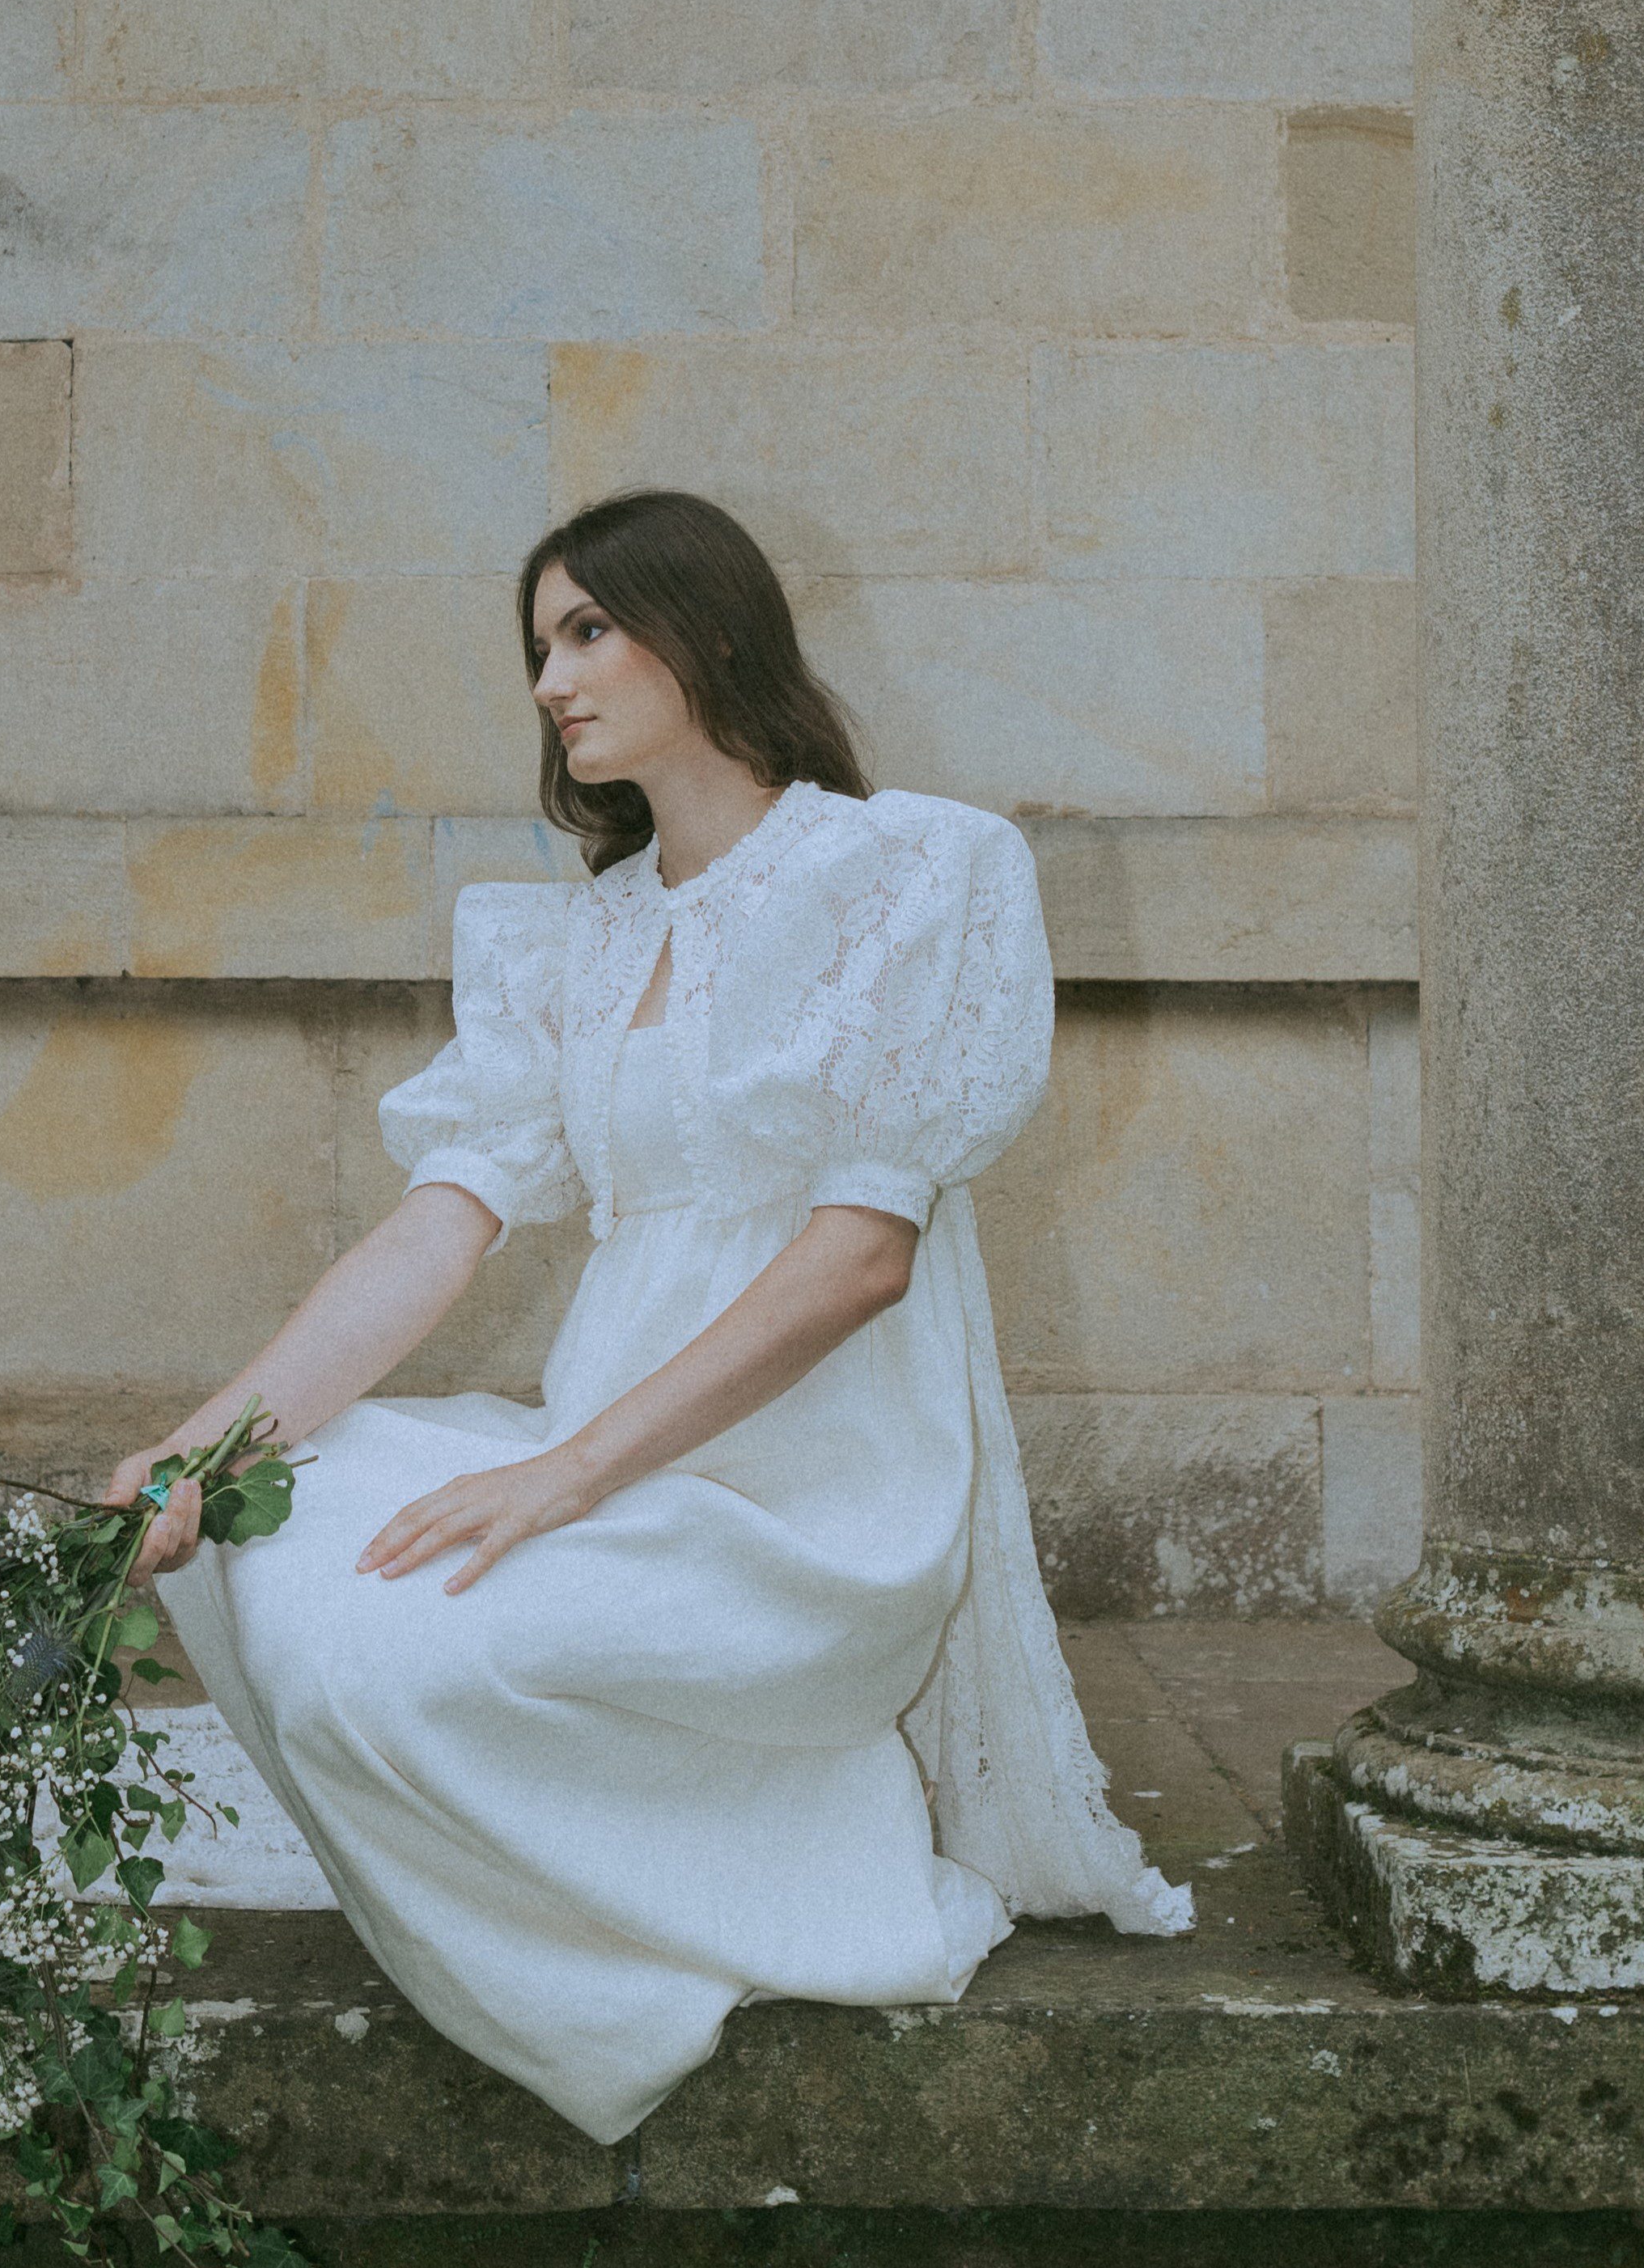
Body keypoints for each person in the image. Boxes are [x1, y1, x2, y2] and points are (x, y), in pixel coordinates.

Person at [112, 490, 1191, 2147]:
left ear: (716, 629)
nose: (551, 678)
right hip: (600, 1452)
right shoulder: (575, 938)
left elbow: (859, 1262)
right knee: (281, 1535)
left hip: (803, 1503)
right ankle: (606, 1890)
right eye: (540, 644)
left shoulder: (916, 870)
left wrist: (567, 1480)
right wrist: (208, 1438)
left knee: (382, 1656)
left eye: (589, 630)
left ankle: (706, 1936)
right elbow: (436, 1226)